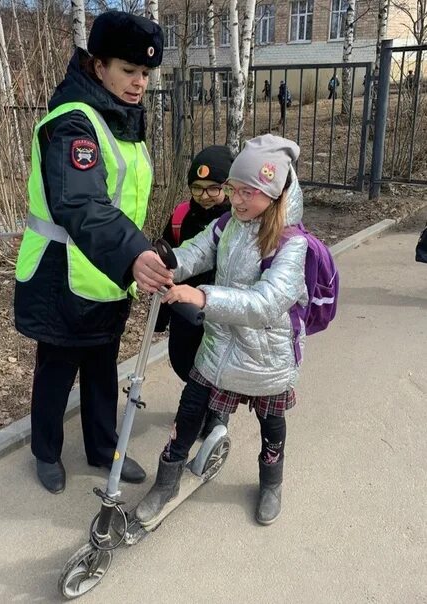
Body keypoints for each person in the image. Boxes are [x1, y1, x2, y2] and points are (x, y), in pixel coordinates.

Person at [14, 11, 172, 494]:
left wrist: (142, 253)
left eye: (145, 74)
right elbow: (79, 202)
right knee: (57, 371)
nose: (139, 82)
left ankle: (104, 450)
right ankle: (46, 453)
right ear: (98, 65)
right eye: (128, 70)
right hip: (61, 275)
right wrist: (132, 254)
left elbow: (125, 200)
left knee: (103, 369)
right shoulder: (74, 125)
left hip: (106, 273)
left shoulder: (120, 122)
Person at [136, 134, 308, 526]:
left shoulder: (292, 244)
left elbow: (266, 303)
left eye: (251, 192)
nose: (240, 200)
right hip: (218, 347)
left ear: (277, 194)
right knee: (189, 411)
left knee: (271, 423)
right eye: (235, 189)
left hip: (266, 355)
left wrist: (201, 297)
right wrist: (167, 263)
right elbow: (197, 251)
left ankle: (271, 481)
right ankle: (166, 480)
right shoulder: (229, 224)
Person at [156, 145, 234, 436]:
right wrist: (162, 316)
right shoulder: (181, 216)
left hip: (220, 306)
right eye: (197, 188)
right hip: (184, 307)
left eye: (213, 188)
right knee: (182, 359)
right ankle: (200, 403)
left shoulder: (237, 220)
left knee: (215, 361)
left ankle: (213, 411)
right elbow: (167, 261)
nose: (204, 196)